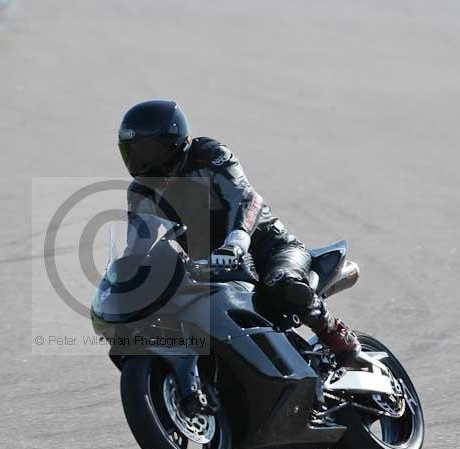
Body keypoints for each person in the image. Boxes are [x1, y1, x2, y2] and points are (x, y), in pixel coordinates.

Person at [118, 99, 361, 412]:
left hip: (270, 250)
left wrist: (236, 242)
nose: (139, 160)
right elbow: (138, 248)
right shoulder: (141, 192)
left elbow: (246, 198)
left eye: (147, 150)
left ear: (172, 142)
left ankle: (337, 336)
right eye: (132, 151)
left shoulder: (208, 155)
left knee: (282, 283)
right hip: (213, 269)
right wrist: (127, 282)